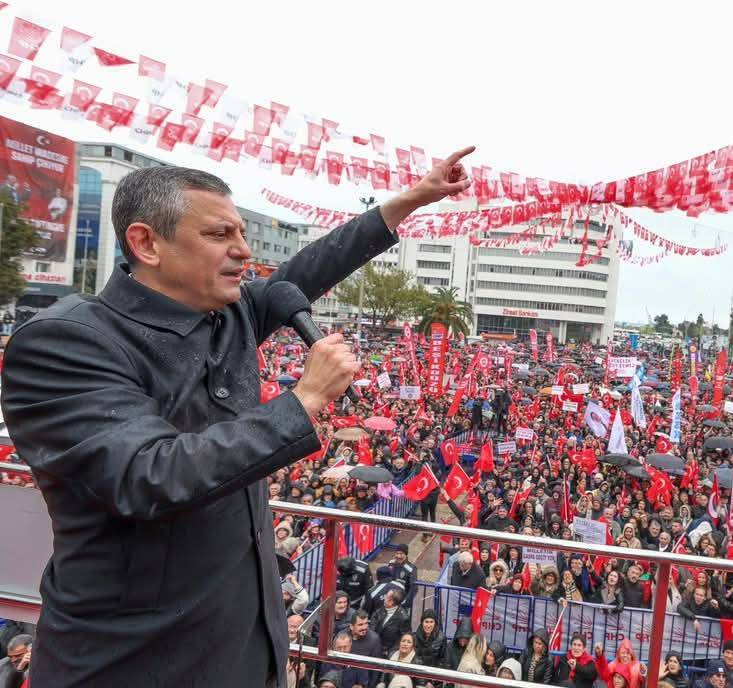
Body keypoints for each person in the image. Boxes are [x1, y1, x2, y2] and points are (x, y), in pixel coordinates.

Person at [0, 154, 473, 687]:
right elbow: (145, 475)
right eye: (219, 233)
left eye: (242, 232)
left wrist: (411, 199)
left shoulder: (227, 313)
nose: (243, 251)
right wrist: (303, 400)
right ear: (146, 243)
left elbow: (310, 267)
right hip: (133, 658)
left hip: (246, 645)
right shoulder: (66, 342)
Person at [370, 589, 410, 656]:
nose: (384, 597)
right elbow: (372, 628)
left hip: (389, 653)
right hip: (375, 647)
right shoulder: (380, 610)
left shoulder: (403, 618)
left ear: (391, 602)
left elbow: (403, 639)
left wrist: (390, 653)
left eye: (386, 596)